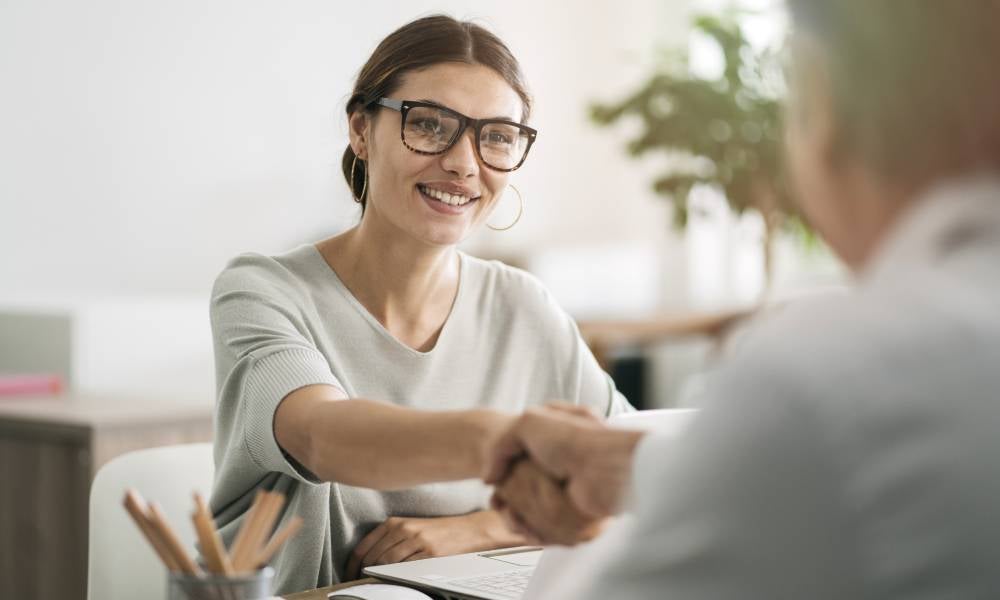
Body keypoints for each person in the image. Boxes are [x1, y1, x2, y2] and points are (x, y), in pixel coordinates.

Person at [485, 1, 1000, 598]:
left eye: (497, 135)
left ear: (822, 106)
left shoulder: (823, 376)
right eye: (428, 125)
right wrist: (641, 466)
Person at [207, 15, 632, 594]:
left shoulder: (522, 304)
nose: (464, 162)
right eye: (430, 125)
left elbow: (622, 477)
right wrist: (508, 441)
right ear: (361, 131)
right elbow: (321, 437)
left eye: (497, 136)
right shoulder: (264, 290)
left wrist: (481, 528)